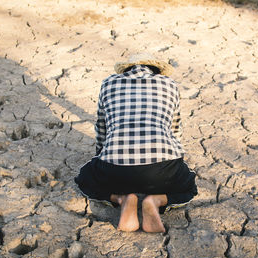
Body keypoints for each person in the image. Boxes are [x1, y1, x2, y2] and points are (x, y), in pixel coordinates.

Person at [75, 53, 197, 233]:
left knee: (85, 177)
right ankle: (155, 200)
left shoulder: (109, 83)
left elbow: (102, 128)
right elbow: (175, 130)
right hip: (162, 172)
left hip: (116, 172)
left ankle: (122, 199)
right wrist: (175, 164)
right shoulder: (170, 84)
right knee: (189, 186)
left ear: (126, 69)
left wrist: (101, 160)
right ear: (157, 71)